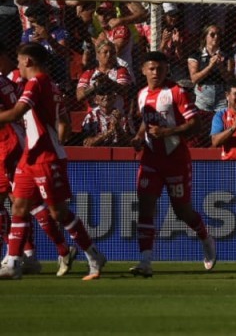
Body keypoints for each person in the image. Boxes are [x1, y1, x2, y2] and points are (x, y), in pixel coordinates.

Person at [0, 43, 106, 280]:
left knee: (58, 212)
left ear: (27, 61)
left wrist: (52, 142)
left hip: (45, 157)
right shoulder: (49, 86)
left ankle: (93, 254)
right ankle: (13, 263)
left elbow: (17, 113)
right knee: (19, 206)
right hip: (31, 154)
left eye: (19, 60)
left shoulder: (37, 83)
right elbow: (64, 122)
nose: (17, 64)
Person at [129, 50, 216, 277]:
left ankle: (205, 237)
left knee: (181, 211)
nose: (155, 72)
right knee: (146, 206)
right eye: (151, 68)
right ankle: (145, 261)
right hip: (150, 159)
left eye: (160, 68)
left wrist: (167, 131)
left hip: (175, 159)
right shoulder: (141, 95)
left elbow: (195, 124)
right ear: (143, 70)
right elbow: (146, 122)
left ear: (166, 69)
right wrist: (139, 137)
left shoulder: (176, 92)